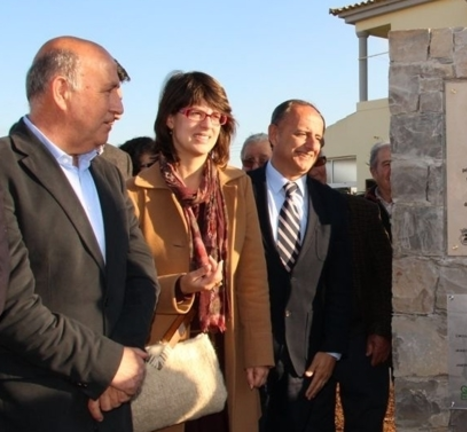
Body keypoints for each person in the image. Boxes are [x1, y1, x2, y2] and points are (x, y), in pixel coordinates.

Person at [0, 36, 159, 430]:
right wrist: (106, 365)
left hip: (113, 408)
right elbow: (12, 307)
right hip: (36, 412)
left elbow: (141, 275)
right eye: (108, 91)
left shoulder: (108, 174)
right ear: (61, 91)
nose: (119, 108)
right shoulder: (6, 169)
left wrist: (122, 365)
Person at [127, 71, 274, 432]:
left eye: (216, 116)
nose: (207, 124)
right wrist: (180, 286)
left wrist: (258, 352)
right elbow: (126, 283)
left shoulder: (236, 186)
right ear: (170, 118)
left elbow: (252, 277)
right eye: (195, 113)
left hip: (228, 348)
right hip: (166, 354)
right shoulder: (135, 191)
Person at [249, 99, 352, 432]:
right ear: (274, 134)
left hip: (310, 369)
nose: (311, 145)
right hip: (249, 364)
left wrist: (332, 350)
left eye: (318, 138)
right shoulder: (237, 193)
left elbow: (341, 284)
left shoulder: (332, 205)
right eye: (302, 134)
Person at [309, 152, 393, 432]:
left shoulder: (362, 212)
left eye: (320, 161)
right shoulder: (282, 217)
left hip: (361, 341)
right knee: (313, 422)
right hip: (309, 342)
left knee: (365, 422)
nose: (315, 169)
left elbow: (383, 276)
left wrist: (381, 330)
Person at [365, 142, 392, 238]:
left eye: (399, 163)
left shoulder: (421, 205)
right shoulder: (360, 209)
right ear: (374, 172)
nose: (394, 169)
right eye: (387, 164)